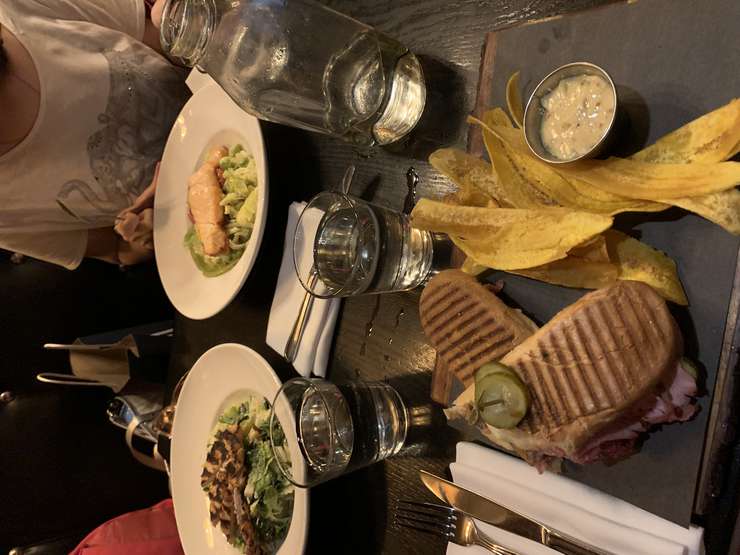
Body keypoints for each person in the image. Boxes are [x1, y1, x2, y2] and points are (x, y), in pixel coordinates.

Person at [0, 0, 187, 268]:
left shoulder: (17, 7)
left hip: (230, 97)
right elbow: (118, 250)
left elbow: (170, 39)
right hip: (201, 222)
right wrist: (148, 233)